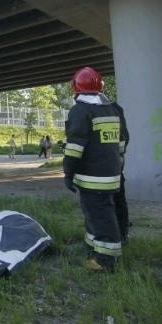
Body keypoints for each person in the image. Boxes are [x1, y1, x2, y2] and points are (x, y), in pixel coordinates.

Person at [62, 66, 123, 273]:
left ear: (76, 88)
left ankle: (106, 261)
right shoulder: (113, 109)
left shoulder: (80, 111)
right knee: (95, 214)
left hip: (92, 177)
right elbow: (121, 143)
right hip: (112, 173)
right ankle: (92, 248)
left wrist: (68, 173)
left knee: (100, 216)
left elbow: (74, 148)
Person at [111, 101, 131, 243]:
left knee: (100, 206)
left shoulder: (87, 110)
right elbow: (125, 139)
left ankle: (109, 238)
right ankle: (123, 234)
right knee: (119, 202)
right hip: (116, 168)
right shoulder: (116, 109)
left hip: (96, 172)